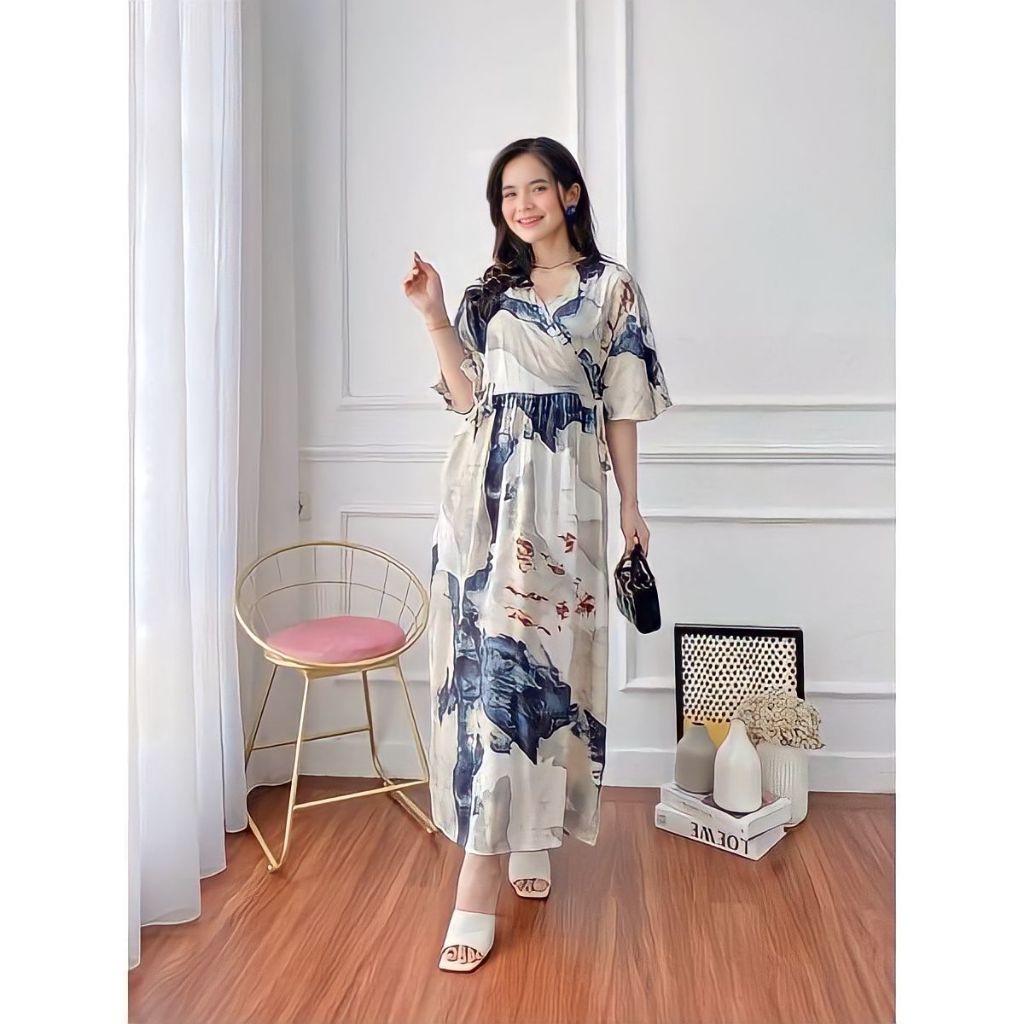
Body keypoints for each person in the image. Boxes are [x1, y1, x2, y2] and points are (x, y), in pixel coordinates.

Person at [402, 137, 673, 972]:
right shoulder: (489, 294)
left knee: (548, 676)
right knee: (489, 682)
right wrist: (434, 315)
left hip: (568, 502)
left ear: (569, 193)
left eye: (535, 188)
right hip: (482, 501)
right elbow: (466, 399)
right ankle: (477, 879)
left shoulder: (612, 288)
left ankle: (532, 835)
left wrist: (631, 506)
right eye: (507, 194)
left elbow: (622, 404)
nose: (521, 205)